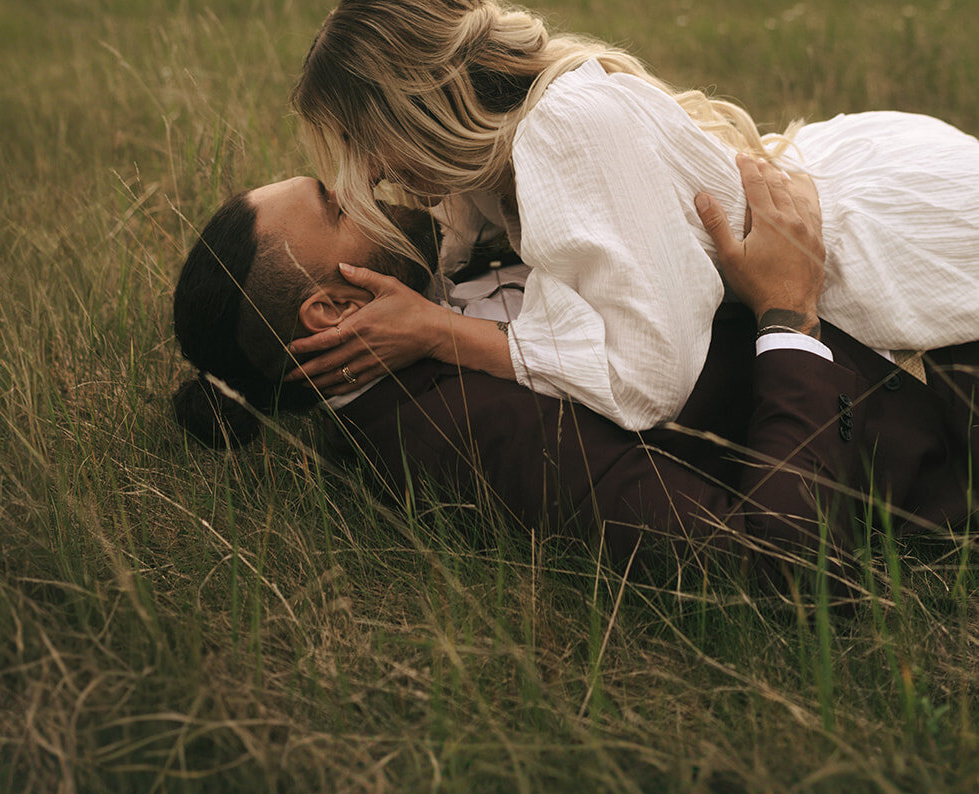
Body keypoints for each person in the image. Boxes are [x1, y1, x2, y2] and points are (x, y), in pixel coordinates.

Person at [171, 159, 979, 584]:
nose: (362, 187)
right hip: (941, 450)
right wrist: (788, 315)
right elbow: (766, 566)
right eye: (336, 206)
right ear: (329, 312)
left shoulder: (428, 321)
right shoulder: (460, 426)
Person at [289, 0, 979, 430]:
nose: (370, 173)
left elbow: (649, 377)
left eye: (360, 140)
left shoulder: (562, 127)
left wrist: (442, 334)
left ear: (418, 111)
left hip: (905, 227)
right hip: (859, 170)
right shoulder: (497, 158)